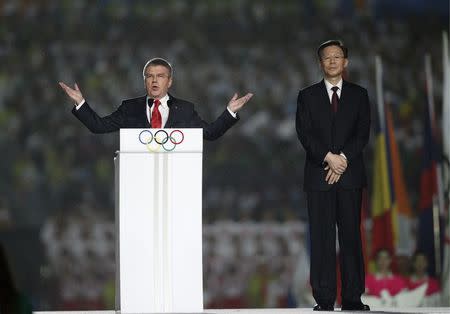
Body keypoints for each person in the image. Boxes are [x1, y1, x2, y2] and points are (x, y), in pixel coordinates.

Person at [296, 40, 371, 311]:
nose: (332, 61)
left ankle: (353, 298)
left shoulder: (359, 95)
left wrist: (343, 161)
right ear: (320, 63)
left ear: (345, 62)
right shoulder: (306, 96)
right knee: (322, 238)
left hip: (350, 176)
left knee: (351, 237)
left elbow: (362, 133)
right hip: (318, 176)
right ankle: (324, 300)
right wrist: (329, 158)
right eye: (327, 58)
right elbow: (305, 134)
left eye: (337, 57)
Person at [59, 58, 253, 139]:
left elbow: (209, 134)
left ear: (169, 82)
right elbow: (99, 127)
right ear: (145, 82)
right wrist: (80, 102)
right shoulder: (130, 108)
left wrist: (230, 112)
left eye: (160, 76)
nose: (154, 80)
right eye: (150, 76)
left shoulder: (185, 109)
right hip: (137, 174)